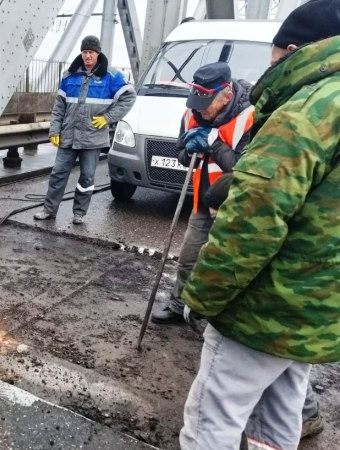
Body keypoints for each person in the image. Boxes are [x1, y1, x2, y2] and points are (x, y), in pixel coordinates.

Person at [179, 0, 340, 448]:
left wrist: (205, 296)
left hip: (268, 303)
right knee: (276, 418)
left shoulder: (305, 110)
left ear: (290, 49)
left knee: (211, 420)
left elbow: (255, 218)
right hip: (318, 300)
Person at [151, 61, 254, 324]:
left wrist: (214, 142)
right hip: (201, 199)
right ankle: (179, 305)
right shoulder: (192, 113)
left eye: (205, 104)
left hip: (233, 206)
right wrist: (189, 148)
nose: (200, 110)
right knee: (188, 257)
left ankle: (217, 318)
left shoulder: (251, 117)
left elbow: (243, 168)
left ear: (227, 95)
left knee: (223, 264)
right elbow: (183, 156)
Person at [34, 35, 135, 225]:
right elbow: (59, 107)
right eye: (85, 52)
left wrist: (108, 118)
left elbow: (129, 97)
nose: (87, 56)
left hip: (93, 138)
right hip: (69, 135)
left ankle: (79, 213)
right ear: (81, 53)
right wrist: (54, 131)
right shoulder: (69, 75)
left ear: (98, 53)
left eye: (91, 52)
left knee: (87, 177)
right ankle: (49, 209)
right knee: (58, 173)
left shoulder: (111, 77)